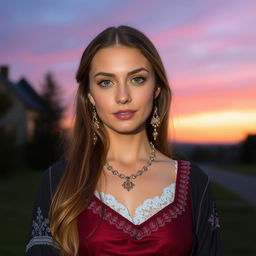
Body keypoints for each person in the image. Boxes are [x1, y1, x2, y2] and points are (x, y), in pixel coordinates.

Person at [25, 25, 223, 256]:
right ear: (89, 96)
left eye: (137, 79)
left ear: (156, 88)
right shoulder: (57, 180)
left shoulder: (194, 183)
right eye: (106, 82)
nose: (123, 96)